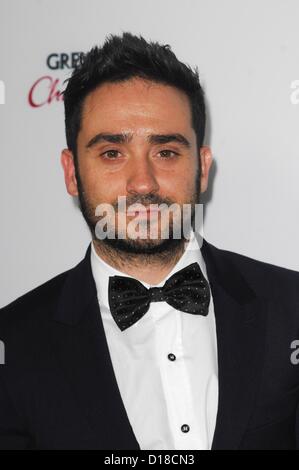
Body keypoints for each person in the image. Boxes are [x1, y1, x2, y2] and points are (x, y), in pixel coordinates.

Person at [0, 32, 299, 451]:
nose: (142, 182)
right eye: (111, 153)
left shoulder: (291, 308)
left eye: (166, 152)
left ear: (202, 167)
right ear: (71, 172)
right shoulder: (13, 345)